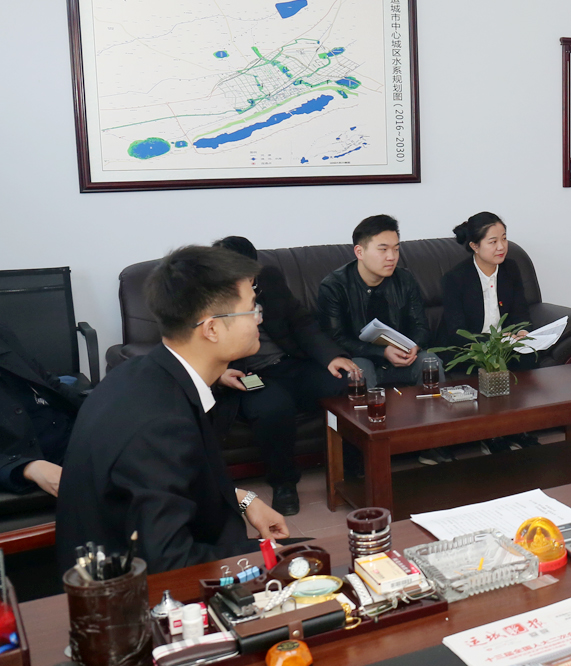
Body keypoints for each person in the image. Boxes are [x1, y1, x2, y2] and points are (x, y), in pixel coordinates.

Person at [55, 246, 290, 573]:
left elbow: (178, 480)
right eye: (252, 308)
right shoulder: (160, 425)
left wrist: (244, 499)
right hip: (131, 589)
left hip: (154, 559)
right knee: (316, 559)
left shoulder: (145, 373)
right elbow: (170, 563)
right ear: (212, 329)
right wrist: (261, 559)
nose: (259, 318)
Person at [212, 237, 358, 516]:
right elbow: (196, 346)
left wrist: (331, 357)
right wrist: (219, 375)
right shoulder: (206, 295)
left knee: (343, 382)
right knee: (273, 407)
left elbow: (301, 322)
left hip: (290, 364)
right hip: (250, 374)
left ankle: (352, 467)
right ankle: (284, 484)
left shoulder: (270, 280)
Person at [437, 212, 539, 452]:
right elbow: (458, 331)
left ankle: (520, 428)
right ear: (475, 246)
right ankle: (492, 435)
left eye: (504, 238)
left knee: (527, 357)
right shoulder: (455, 278)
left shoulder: (510, 269)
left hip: (503, 345)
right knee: (492, 365)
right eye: (493, 241)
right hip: (468, 347)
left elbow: (521, 312)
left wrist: (523, 332)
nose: (501, 246)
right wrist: (496, 343)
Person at [317, 215, 435, 389]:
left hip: (402, 359)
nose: (391, 257)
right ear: (359, 252)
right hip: (362, 359)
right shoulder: (334, 286)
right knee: (359, 368)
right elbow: (335, 339)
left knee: (430, 361)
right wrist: (382, 352)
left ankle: (437, 407)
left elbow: (421, 326)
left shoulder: (405, 279)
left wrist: (414, 347)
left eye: (396, 249)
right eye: (383, 249)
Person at [0, 319, 85, 497]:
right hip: (32, 461)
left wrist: (100, 403)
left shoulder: (3, 331)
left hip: (73, 436)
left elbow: (46, 381)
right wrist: (30, 468)